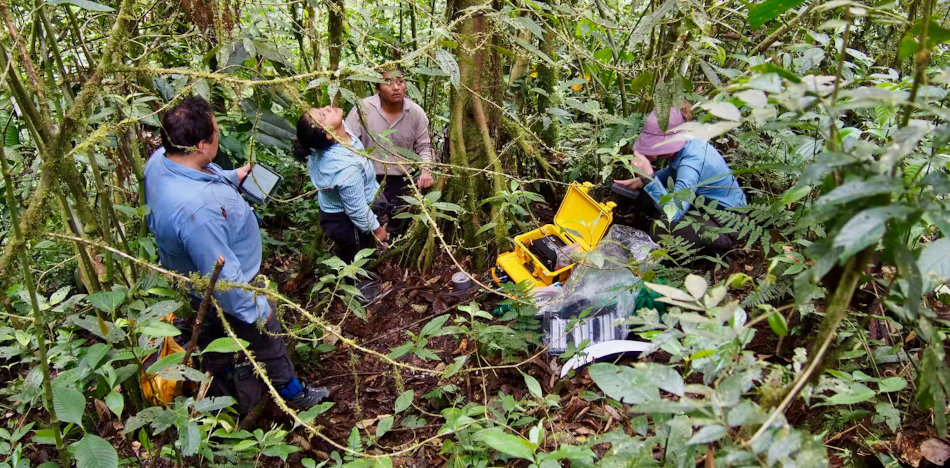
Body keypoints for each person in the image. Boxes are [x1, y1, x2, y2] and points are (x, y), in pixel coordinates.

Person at [144, 96, 328, 414]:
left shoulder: (161, 159)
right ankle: (291, 394)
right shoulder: (198, 210)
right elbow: (224, 280)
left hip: (191, 280)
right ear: (202, 144)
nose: (219, 135)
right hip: (222, 286)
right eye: (216, 133)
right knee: (267, 336)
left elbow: (195, 181)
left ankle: (223, 386)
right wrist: (258, 309)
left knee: (214, 334)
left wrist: (231, 178)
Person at [615, 106, 747, 251]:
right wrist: (643, 181)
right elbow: (673, 171)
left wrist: (650, 179)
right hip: (706, 208)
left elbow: (674, 213)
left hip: (728, 225)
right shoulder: (689, 142)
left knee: (661, 231)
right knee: (647, 195)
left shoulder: (691, 164)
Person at [294, 105, 388, 264]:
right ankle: (359, 284)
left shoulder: (339, 135)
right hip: (345, 221)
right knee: (357, 257)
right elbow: (356, 209)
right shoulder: (345, 169)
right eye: (323, 116)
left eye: (321, 109)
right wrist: (377, 230)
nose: (327, 108)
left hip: (346, 206)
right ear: (328, 134)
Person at [345, 66, 435, 231]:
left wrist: (426, 170)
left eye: (400, 81)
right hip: (367, 179)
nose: (396, 87)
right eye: (388, 82)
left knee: (400, 228)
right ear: (378, 88)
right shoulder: (362, 109)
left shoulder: (415, 112)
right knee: (365, 228)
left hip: (401, 179)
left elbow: (424, 146)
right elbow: (347, 143)